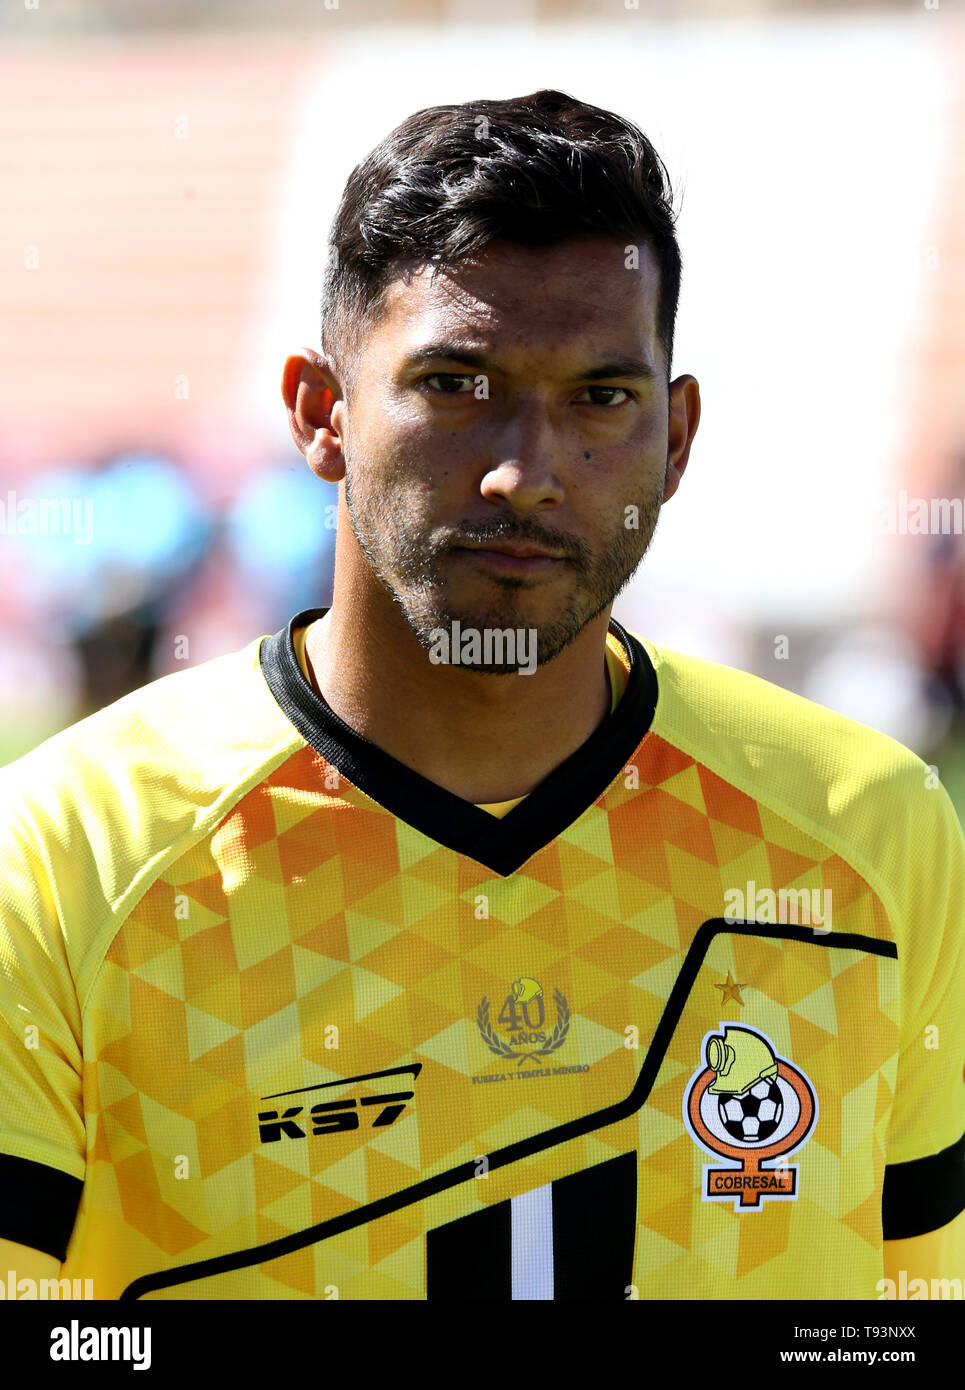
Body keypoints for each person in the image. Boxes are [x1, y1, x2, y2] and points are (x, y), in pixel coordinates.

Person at [1, 89, 961, 1301]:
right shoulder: (60, 857)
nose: (525, 471)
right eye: (456, 384)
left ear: (674, 437)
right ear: (320, 412)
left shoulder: (871, 836)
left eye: (599, 399)